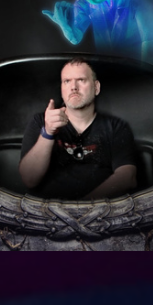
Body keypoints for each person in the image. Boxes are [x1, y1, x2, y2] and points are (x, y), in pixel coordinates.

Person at [18, 58, 138, 200]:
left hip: (98, 210)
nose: (73, 87)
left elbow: (127, 177)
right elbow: (29, 179)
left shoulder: (116, 127)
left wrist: (83, 207)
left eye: (81, 80)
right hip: (47, 210)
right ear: (62, 89)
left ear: (96, 87)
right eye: (67, 81)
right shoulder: (41, 122)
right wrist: (48, 133)